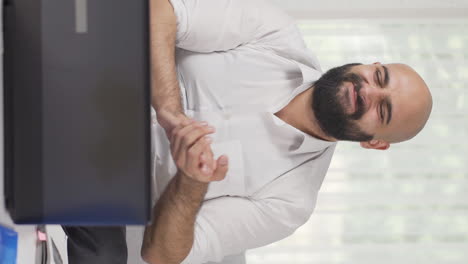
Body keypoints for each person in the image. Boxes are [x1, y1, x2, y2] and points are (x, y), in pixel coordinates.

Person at [65, 0, 433, 263]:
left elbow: (162, 255)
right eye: (379, 78)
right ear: (372, 65)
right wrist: (169, 109)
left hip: (106, 188)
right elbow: (161, 10)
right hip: (98, 75)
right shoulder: (275, 33)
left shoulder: (290, 203)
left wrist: (192, 181)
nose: (366, 91)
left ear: (375, 143)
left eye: (382, 109)